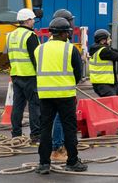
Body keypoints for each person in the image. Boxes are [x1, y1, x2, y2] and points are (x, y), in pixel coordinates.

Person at [34, 17, 87, 174]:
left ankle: (44, 164)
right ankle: (72, 162)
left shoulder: (39, 49)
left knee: (45, 129)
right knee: (69, 128)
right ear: (64, 34)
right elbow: (78, 73)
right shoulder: (70, 49)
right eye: (68, 33)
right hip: (66, 95)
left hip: (45, 95)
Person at [6, 8, 41, 143]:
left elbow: (8, 56)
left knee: (18, 106)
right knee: (34, 105)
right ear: (27, 20)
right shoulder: (30, 36)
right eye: (32, 19)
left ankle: (16, 134)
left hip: (16, 74)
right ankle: (36, 135)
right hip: (30, 75)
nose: (33, 22)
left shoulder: (10, 35)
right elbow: (35, 57)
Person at [49, 9, 76, 163]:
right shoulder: (66, 46)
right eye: (70, 21)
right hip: (62, 89)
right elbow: (76, 69)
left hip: (48, 90)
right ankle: (58, 148)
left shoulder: (47, 45)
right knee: (61, 119)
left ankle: (57, 148)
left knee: (52, 121)